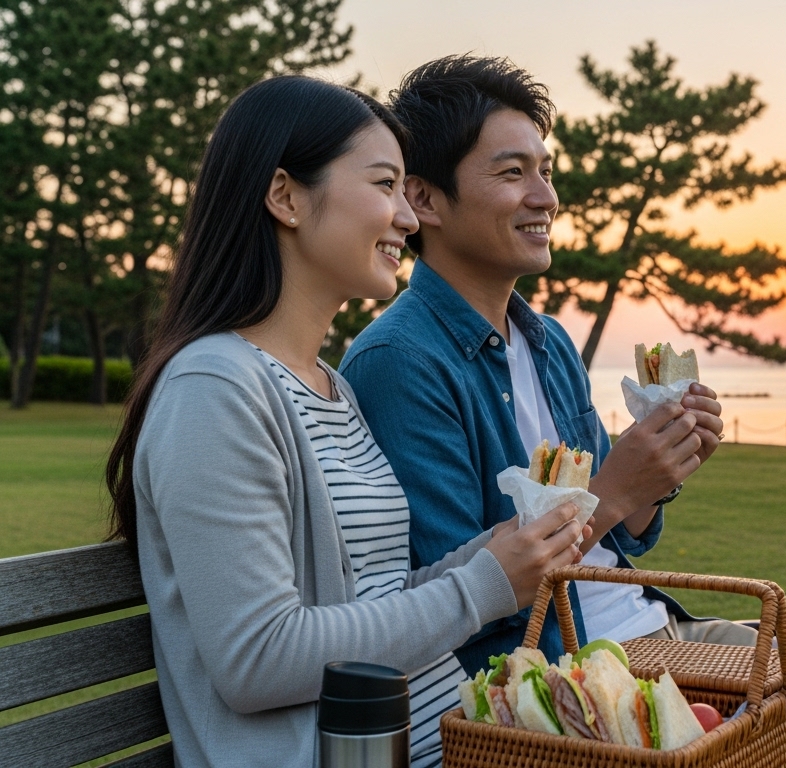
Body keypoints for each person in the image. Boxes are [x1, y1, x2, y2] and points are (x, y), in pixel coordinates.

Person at [340, 56, 786, 768]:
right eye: (512, 172)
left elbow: (629, 538)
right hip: (566, 666)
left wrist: (658, 470)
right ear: (425, 201)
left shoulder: (547, 340)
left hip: (651, 627)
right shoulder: (400, 361)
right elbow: (467, 598)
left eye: (545, 171)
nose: (545, 196)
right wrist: (615, 491)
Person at [104, 76, 586, 768]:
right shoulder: (214, 388)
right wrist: (482, 587)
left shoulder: (328, 385)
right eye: (384, 186)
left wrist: (502, 553)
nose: (408, 219)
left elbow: (378, 599)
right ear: (286, 197)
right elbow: (259, 659)